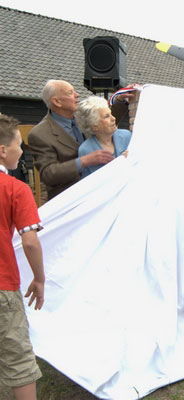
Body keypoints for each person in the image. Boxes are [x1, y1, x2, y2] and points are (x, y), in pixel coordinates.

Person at [0, 115, 45, 400]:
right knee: (18, 360)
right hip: (2, 286)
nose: (21, 150)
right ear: (3, 150)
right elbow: (30, 241)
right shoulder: (16, 189)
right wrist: (39, 279)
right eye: (19, 144)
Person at [27, 80, 132, 199]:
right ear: (57, 102)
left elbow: (104, 123)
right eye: (70, 93)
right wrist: (84, 161)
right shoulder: (40, 134)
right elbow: (48, 174)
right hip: (70, 199)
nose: (77, 95)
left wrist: (120, 100)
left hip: (102, 193)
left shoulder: (82, 116)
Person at [75, 96, 132, 178]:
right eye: (106, 116)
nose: (113, 118)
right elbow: (96, 182)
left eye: (111, 114)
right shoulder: (86, 150)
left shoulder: (126, 136)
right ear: (94, 126)